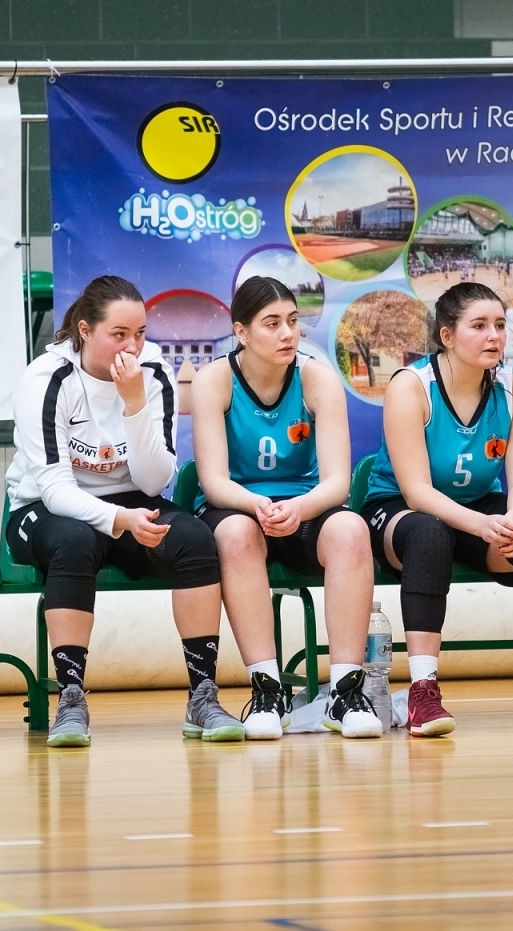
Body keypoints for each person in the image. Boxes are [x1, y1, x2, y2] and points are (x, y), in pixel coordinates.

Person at [6, 275, 243, 748]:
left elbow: (154, 483)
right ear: (84, 330)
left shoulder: (153, 371)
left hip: (133, 500)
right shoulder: (45, 378)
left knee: (195, 539)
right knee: (73, 540)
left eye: (139, 333)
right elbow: (54, 488)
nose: (132, 346)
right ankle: (70, 698)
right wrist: (118, 521)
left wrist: (134, 403)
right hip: (44, 509)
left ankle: (203, 694)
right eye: (118, 334)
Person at [361, 282, 513, 737]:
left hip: (480, 511)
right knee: (430, 533)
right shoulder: (411, 386)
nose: (494, 336)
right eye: (479, 326)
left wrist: (510, 521)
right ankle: (423, 692)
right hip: (399, 508)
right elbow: (417, 492)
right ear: (447, 336)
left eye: (500, 325)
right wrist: (481, 524)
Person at [191, 276, 380, 740]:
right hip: (238, 504)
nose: (287, 333)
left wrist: (298, 506)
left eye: (293, 321)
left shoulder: (317, 378)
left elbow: (337, 482)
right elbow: (213, 482)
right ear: (241, 331)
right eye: (272, 323)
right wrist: (257, 504)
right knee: (236, 535)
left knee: (351, 530)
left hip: (303, 504)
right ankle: (267, 690)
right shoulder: (214, 380)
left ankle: (345, 692)